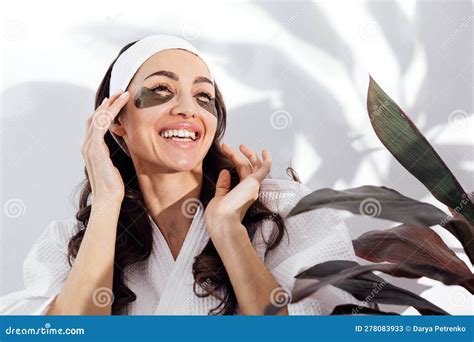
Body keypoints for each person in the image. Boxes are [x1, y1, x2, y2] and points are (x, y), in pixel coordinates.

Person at [0, 35, 358, 315]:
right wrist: (107, 204)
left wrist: (228, 231)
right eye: (161, 90)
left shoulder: (280, 212)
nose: (188, 108)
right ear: (117, 120)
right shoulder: (71, 241)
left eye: (204, 96)